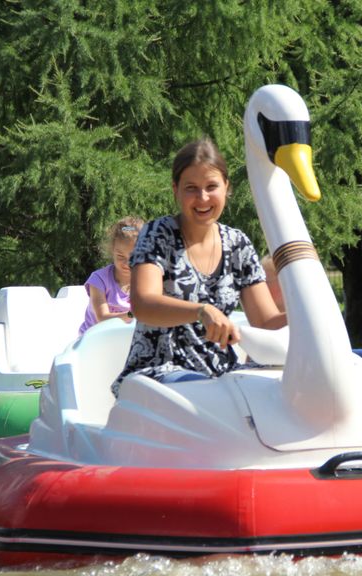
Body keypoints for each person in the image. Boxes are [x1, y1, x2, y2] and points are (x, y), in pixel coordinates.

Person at [112, 139, 286, 395]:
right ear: (176, 190)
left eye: (211, 186)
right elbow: (143, 304)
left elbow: (266, 321)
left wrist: (310, 312)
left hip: (221, 377)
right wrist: (202, 311)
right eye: (191, 188)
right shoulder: (157, 234)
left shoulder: (238, 244)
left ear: (226, 187)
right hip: (159, 374)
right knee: (211, 398)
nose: (202, 198)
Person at [78, 217, 144, 336]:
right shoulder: (99, 280)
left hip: (126, 338)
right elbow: (102, 319)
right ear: (112, 250)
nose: (126, 263)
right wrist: (133, 314)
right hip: (94, 339)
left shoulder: (145, 280)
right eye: (120, 256)